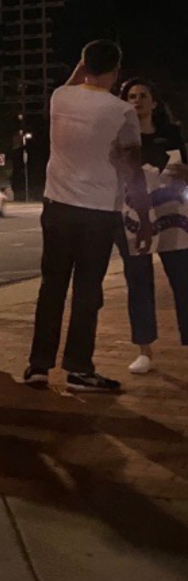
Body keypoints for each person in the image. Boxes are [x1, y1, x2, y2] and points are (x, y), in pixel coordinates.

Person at [24, 40, 152, 392]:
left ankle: (38, 365)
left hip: (57, 208)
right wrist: (141, 216)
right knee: (86, 292)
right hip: (98, 212)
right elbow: (131, 168)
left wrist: (82, 62)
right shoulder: (120, 111)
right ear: (117, 70)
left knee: (52, 287)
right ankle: (79, 369)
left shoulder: (60, 98)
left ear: (83, 64)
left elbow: (72, 82)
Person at [114, 77, 188, 374]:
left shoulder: (172, 134)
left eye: (143, 95)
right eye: (131, 95)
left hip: (173, 217)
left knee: (183, 280)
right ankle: (144, 349)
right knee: (139, 283)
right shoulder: (118, 136)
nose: (137, 100)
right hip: (133, 218)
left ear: (154, 103)